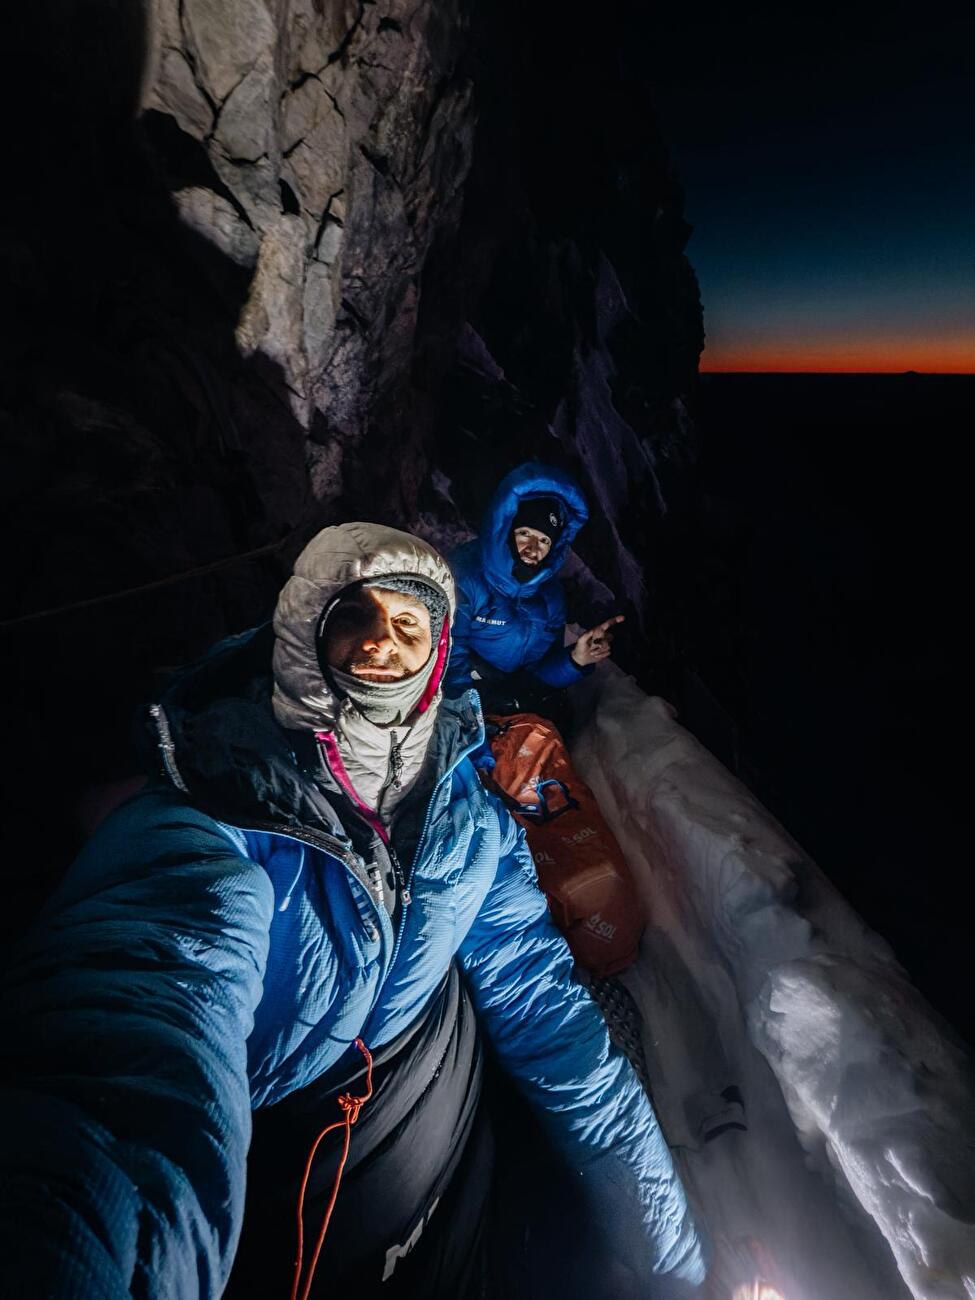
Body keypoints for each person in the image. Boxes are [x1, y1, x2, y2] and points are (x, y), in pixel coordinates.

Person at [0, 522, 706, 1300]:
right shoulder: (214, 814)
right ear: (306, 632)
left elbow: (543, 1007)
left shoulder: (465, 813)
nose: (381, 644)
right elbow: (134, 1038)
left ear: (434, 653)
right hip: (308, 1143)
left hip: (430, 1098)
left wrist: (669, 1256)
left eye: (407, 626)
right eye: (353, 618)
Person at [446, 462, 623, 724]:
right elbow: (448, 662)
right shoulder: (465, 577)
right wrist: (472, 728)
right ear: (505, 530)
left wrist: (575, 658)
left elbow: (537, 677)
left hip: (507, 700)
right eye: (524, 533)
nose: (532, 548)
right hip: (463, 697)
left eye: (544, 540)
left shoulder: (550, 599)